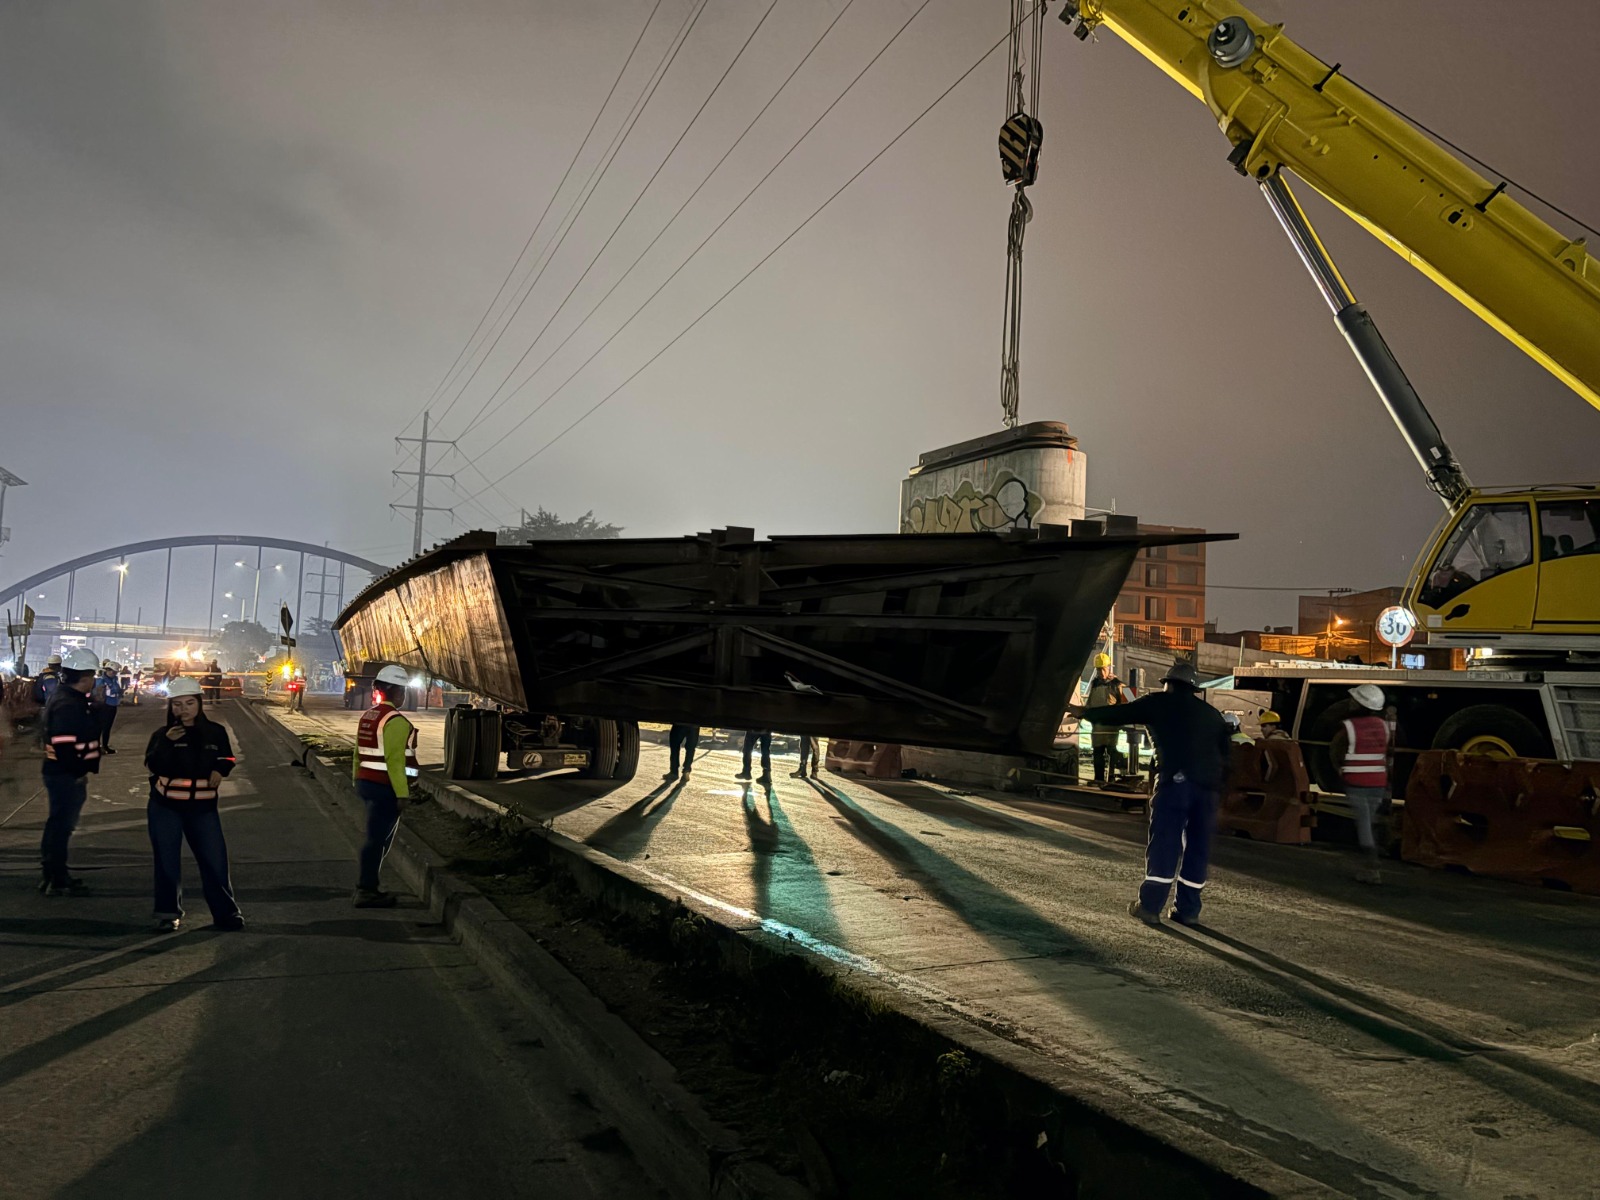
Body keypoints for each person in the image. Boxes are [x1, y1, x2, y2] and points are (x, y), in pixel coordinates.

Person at [1068, 661, 1231, 928]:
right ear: (1193, 688)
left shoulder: (1158, 703)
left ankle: (1151, 907)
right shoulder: (1211, 714)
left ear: (1167, 684)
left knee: (1165, 842)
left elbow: (1119, 713)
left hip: (1175, 784)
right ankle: (1188, 911)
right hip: (1208, 789)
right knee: (1198, 848)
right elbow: (1226, 755)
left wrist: (1084, 712)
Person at [144, 676, 242, 932]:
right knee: (167, 861)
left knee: (215, 860)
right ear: (170, 707)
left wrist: (221, 769)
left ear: (199, 703)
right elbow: (153, 764)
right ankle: (168, 914)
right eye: (177, 704)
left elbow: (228, 757)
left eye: (189, 703)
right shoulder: (161, 735)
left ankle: (226, 914)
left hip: (203, 809)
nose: (183, 709)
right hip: (166, 807)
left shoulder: (215, 732)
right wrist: (167, 742)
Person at [351, 664, 420, 908]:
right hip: (384, 788)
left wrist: (356, 778)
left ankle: (370, 885)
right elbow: (395, 762)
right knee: (377, 839)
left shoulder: (368, 716)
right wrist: (403, 793)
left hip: (366, 783)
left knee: (376, 837)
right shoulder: (397, 722)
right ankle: (366, 889)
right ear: (398, 692)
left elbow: (358, 752)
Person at [39, 648, 104, 896]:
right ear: (86, 678)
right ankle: (57, 878)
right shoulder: (68, 704)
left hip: (61, 772)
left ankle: (52, 873)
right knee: (61, 826)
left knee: (57, 824)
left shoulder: (67, 698)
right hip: (65, 774)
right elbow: (65, 744)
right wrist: (77, 772)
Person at [1329, 684, 1391, 884]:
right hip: (1379, 782)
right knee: (1369, 820)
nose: (1351, 702)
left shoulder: (1348, 726)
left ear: (1361, 704)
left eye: (1354, 699)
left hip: (1356, 782)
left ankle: (1372, 867)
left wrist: (1340, 768)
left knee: (1363, 824)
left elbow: (1336, 751)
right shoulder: (1384, 726)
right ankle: (1374, 857)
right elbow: (1387, 753)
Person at [1084, 654, 1129, 786]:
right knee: (1098, 753)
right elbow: (1090, 703)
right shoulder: (1094, 684)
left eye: (1103, 669)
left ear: (1109, 668)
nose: (1101, 672)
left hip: (1111, 727)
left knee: (1111, 753)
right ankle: (1098, 779)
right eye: (1098, 670)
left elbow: (1131, 700)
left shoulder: (1118, 685)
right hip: (1097, 726)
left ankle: (1111, 779)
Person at [95, 660, 124, 754]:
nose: (112, 673)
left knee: (107, 727)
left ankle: (105, 746)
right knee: (100, 727)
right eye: (110, 670)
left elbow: (116, 690)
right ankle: (97, 747)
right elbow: (102, 693)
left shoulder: (114, 679)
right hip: (104, 705)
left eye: (114, 672)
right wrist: (116, 691)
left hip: (112, 705)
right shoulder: (101, 680)